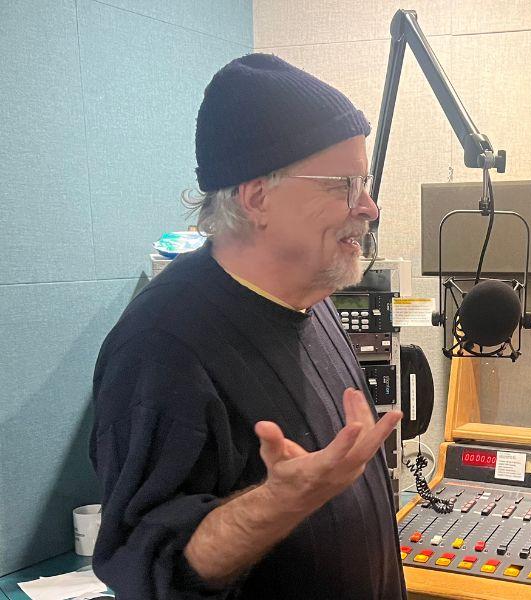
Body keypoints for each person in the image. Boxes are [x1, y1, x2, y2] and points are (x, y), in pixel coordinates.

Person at [89, 53, 405, 599]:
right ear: (257, 197)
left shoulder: (313, 300)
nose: (369, 207)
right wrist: (279, 503)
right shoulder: (161, 344)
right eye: (345, 185)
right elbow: (148, 566)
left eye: (366, 183)